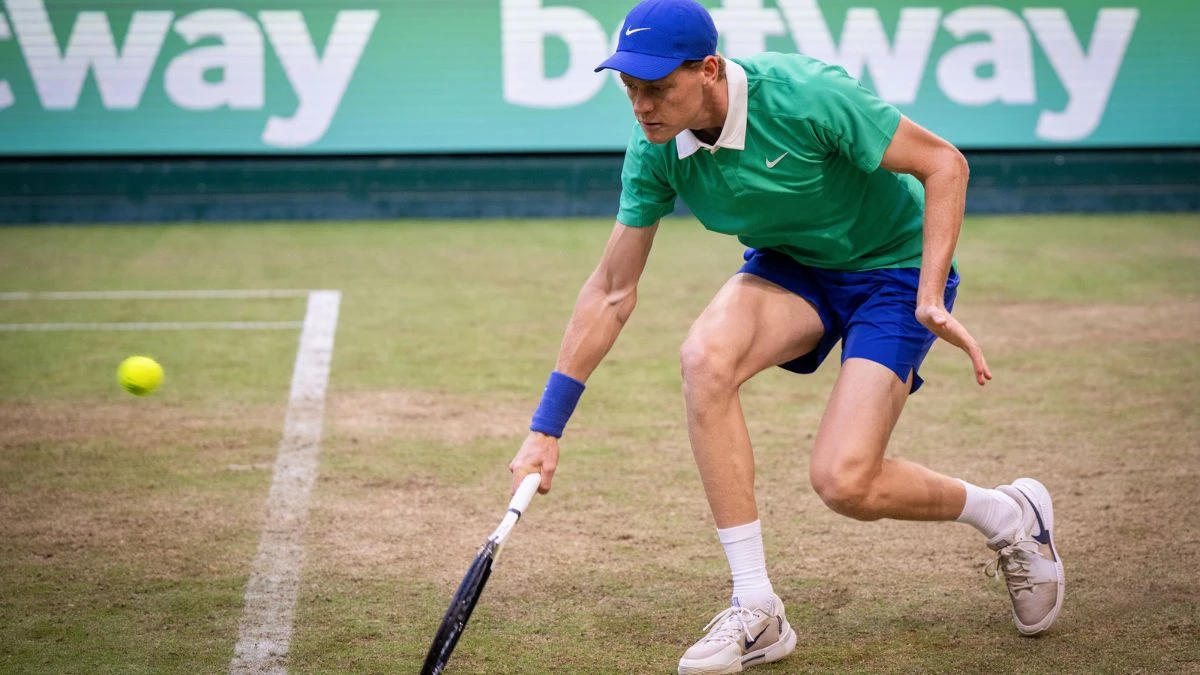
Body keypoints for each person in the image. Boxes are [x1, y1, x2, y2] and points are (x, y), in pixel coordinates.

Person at [509, 0, 1065, 672]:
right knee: (704, 359)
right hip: (793, 267)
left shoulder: (806, 94)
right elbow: (611, 290)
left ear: (709, 69)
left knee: (845, 482)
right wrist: (546, 428)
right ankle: (757, 606)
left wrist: (928, 293)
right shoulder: (656, 148)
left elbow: (945, 163)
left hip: (893, 270)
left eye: (657, 87)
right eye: (630, 88)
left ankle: (1008, 515)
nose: (642, 106)